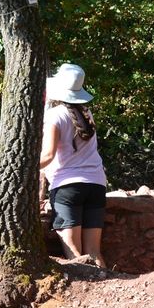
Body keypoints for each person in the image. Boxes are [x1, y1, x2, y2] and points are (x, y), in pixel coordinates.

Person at [39, 63, 108, 269]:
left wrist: (22, 169)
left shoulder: (54, 115)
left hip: (68, 187)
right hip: (96, 185)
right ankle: (109, 284)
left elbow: (48, 155)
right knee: (94, 251)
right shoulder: (86, 112)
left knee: (73, 252)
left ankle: (92, 296)